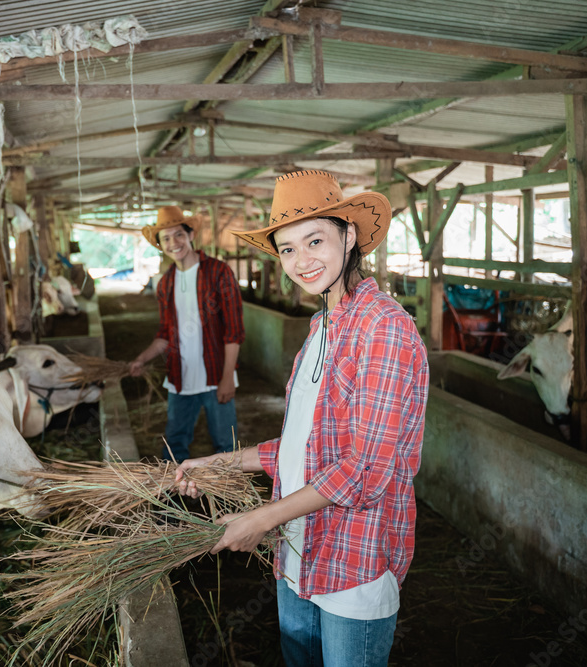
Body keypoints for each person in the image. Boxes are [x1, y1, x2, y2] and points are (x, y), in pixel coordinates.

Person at [175, 170, 429, 666]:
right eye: (287, 249)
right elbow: (301, 445)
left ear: (348, 236)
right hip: (297, 550)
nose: (301, 260)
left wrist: (258, 519)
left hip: (354, 561)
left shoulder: (384, 327)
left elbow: (366, 469)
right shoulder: (321, 326)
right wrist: (220, 464)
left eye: (315, 240)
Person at [129, 205, 245, 462]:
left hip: (215, 376)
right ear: (160, 245)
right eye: (166, 238)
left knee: (226, 444)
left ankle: (229, 500)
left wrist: (228, 377)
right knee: (174, 444)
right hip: (179, 379)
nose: (174, 243)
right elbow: (164, 334)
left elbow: (234, 331)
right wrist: (142, 359)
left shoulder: (218, 272)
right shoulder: (166, 282)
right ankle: (175, 498)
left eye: (178, 235)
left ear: (191, 235)